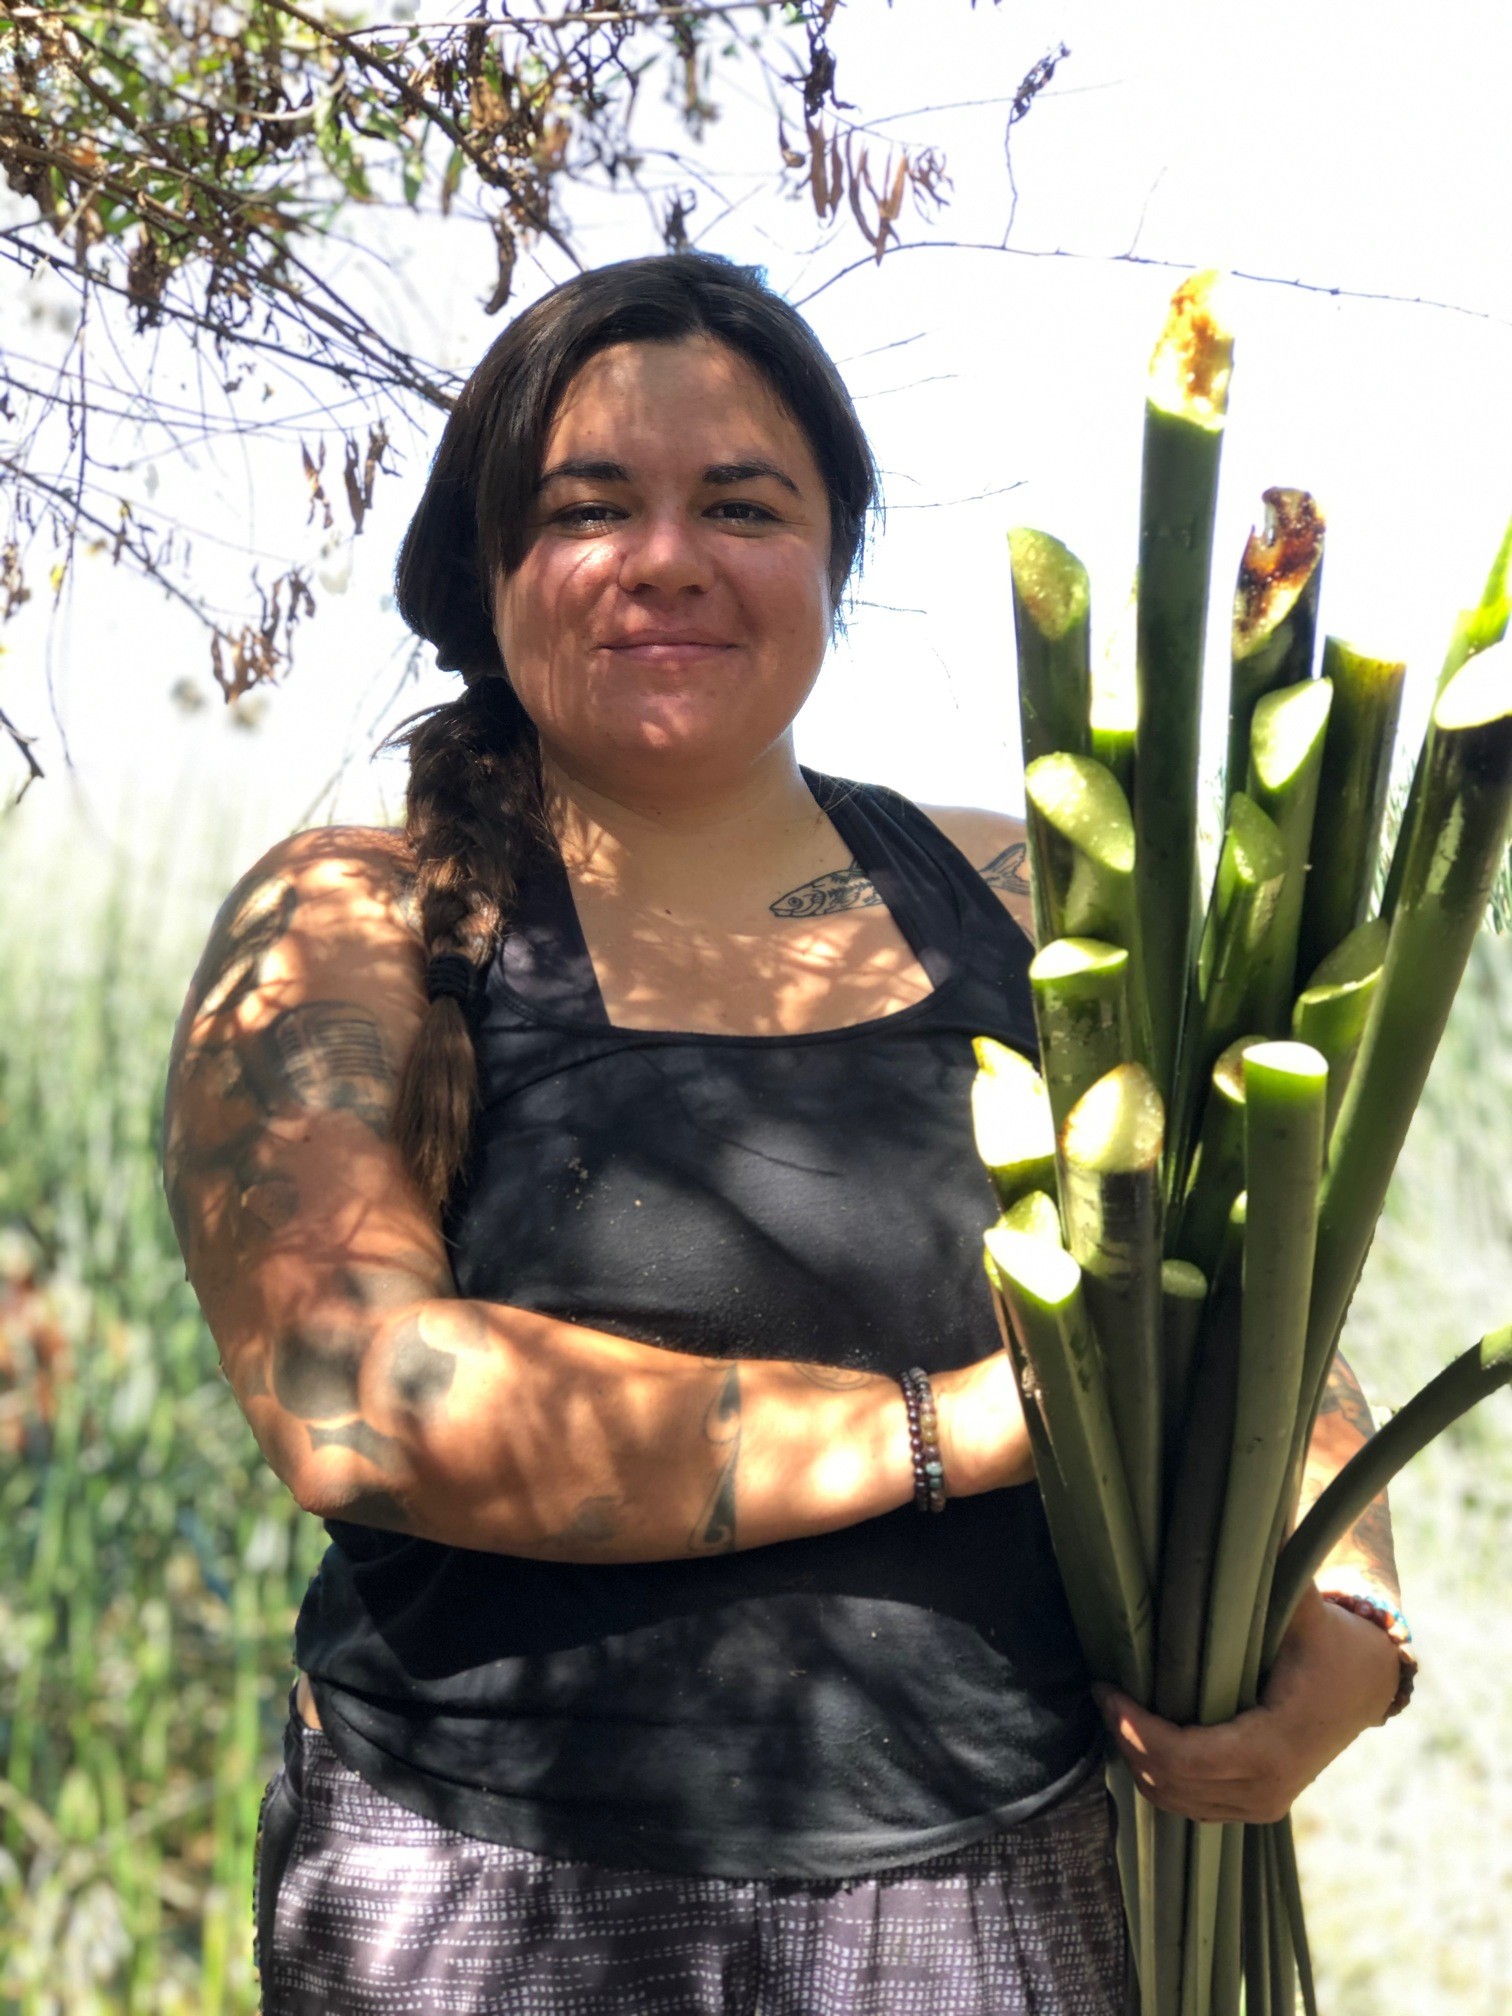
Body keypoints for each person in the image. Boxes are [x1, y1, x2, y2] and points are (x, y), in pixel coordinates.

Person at [162, 253, 1411, 2016]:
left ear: (832, 557)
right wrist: (957, 1430)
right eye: (590, 506)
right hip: (484, 1908)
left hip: (996, 1903)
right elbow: (360, 1396)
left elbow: (1252, 1280)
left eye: (742, 504)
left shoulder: (1012, 886)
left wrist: (1351, 1626)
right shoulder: (354, 921)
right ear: (489, 563)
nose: (667, 556)